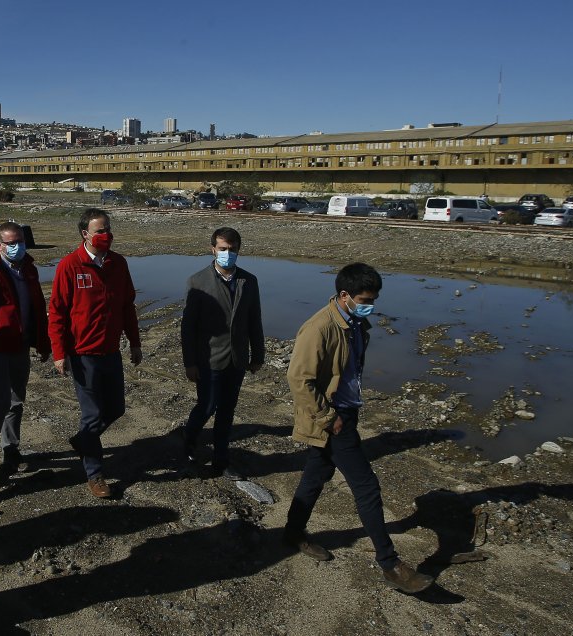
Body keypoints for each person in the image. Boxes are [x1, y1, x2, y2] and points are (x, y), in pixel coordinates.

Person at [283, 263, 434, 594]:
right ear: (344, 295)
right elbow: (298, 379)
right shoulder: (319, 328)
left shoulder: (355, 323)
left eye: (374, 299)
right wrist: (327, 417)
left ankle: (292, 533)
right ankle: (390, 564)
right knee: (366, 486)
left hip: (346, 413)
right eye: (365, 298)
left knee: (315, 475)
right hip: (333, 418)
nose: (371, 305)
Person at [48, 209, 141, 499]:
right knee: (92, 415)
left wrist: (135, 343)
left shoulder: (118, 263)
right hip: (82, 354)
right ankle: (95, 474)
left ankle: (82, 441)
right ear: (85, 234)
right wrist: (59, 353)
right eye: (100, 231)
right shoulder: (70, 266)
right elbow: (57, 313)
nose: (106, 235)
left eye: (108, 229)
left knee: (116, 409)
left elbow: (127, 306)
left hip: (110, 351)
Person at [0, 221, 50, 480]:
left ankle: (11, 449)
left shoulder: (29, 269)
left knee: (17, 400)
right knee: (1, 400)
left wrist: (43, 342)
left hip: (21, 345)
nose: (17, 247)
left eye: (21, 242)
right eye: (11, 243)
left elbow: (37, 306)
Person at [180, 227, 264, 480]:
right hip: (209, 359)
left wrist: (258, 355)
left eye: (232, 249)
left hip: (236, 359)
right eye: (223, 249)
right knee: (206, 406)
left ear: (239, 249)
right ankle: (189, 441)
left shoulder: (249, 281)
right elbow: (188, 327)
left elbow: (254, 320)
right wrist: (190, 362)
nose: (228, 253)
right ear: (213, 249)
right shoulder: (198, 281)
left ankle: (221, 460)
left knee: (227, 411)